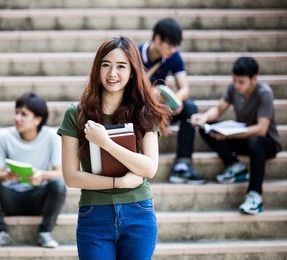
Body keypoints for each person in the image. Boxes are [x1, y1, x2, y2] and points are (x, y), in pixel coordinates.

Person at [58, 36, 171, 260]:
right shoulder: (76, 114)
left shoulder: (145, 113)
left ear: (132, 71)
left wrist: (105, 142)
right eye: (106, 65)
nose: (112, 74)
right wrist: (118, 183)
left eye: (121, 66)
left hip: (138, 212)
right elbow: (71, 177)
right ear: (97, 69)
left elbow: (149, 168)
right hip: (95, 215)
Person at [190, 57, 282, 214]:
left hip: (267, 143)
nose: (237, 85)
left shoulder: (264, 93)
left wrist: (229, 135)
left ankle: (255, 195)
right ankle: (236, 166)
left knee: (255, 141)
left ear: (254, 79)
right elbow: (219, 110)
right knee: (207, 128)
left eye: (241, 82)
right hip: (244, 137)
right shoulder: (233, 88)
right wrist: (204, 117)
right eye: (234, 80)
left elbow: (261, 129)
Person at [0, 92, 66, 249]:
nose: (17, 118)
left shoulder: (51, 136)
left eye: (23, 114)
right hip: (10, 198)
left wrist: (41, 175)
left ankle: (45, 232)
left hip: (38, 197)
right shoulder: (4, 136)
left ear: (37, 119)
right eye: (16, 112)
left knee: (58, 185)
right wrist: (7, 175)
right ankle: (0, 231)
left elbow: (60, 173)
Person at [138, 18, 205, 184]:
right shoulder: (135, 54)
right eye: (169, 45)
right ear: (157, 39)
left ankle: (182, 165)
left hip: (161, 110)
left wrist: (176, 100)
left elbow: (185, 89)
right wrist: (149, 95)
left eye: (175, 46)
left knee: (189, 107)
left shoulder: (174, 56)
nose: (172, 50)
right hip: (139, 110)